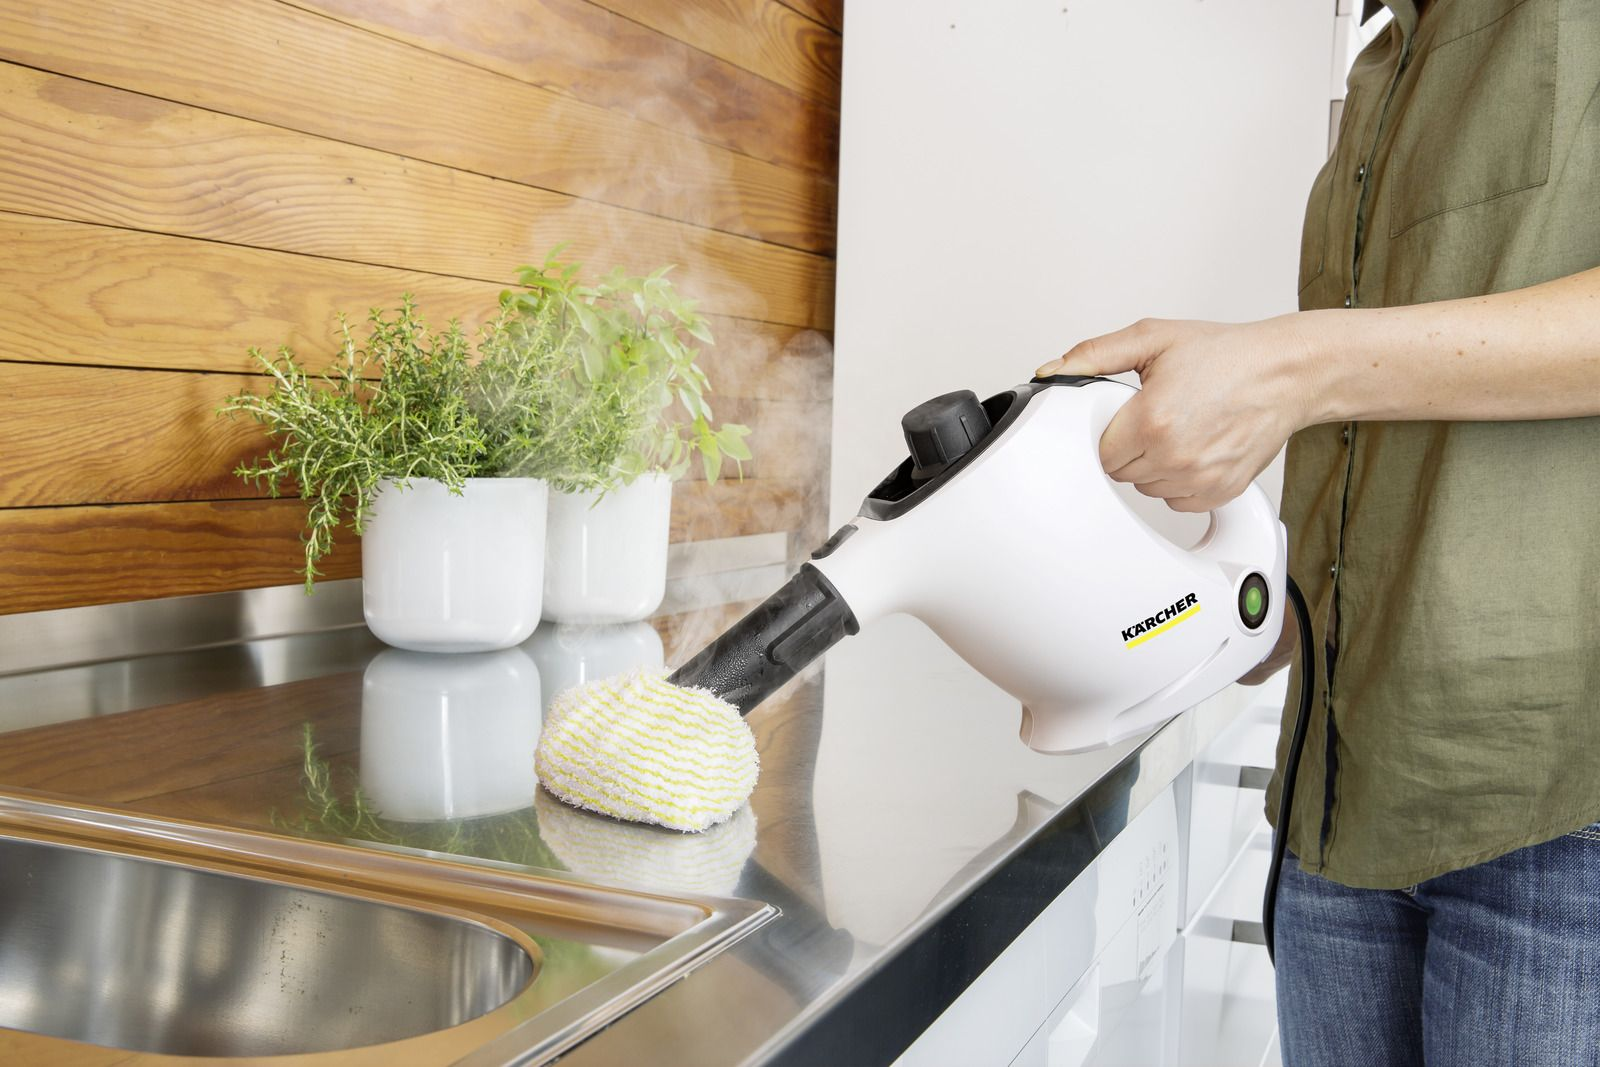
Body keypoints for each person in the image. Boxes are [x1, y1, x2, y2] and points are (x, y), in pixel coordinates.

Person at [1034, 1, 1599, 1063]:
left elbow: (1332, 374)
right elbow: (1396, 432)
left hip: (1559, 816)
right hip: (1337, 789)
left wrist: (1292, 365)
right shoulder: (1383, 61)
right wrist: (1263, 616)